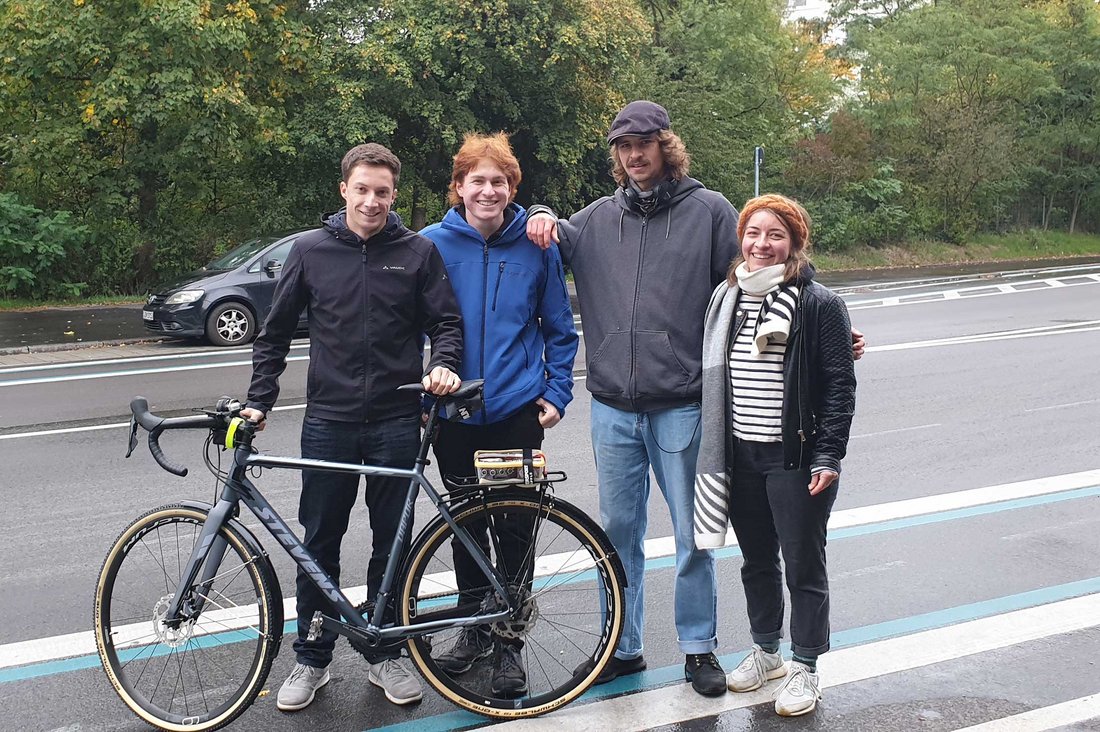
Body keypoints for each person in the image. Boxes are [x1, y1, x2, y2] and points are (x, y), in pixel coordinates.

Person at [524, 100, 740, 696]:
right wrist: (540, 211)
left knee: (692, 535)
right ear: (615, 155)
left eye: (644, 143)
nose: (634, 154)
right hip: (614, 408)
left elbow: (764, 270)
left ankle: (699, 647)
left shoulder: (710, 212)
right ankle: (622, 646)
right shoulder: (593, 221)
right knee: (617, 534)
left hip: (682, 404)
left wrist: (823, 323)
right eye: (623, 146)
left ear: (666, 146)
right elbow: (537, 235)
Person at [240, 143, 464, 712]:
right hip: (328, 423)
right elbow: (274, 333)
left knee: (393, 547)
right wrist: (258, 402)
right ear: (344, 190)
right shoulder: (311, 251)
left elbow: (447, 323)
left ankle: (385, 652)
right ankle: (312, 659)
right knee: (318, 542)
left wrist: (444, 364)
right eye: (361, 189)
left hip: (395, 421)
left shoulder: (416, 252)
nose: (372, 201)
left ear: (394, 195)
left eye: (382, 193)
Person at [418, 132, 578, 698]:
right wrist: (421, 396)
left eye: (499, 181)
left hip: (514, 412)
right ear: (458, 186)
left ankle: (509, 640)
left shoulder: (536, 246)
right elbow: (408, 327)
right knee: (463, 528)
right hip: (453, 416)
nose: (488, 190)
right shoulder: (430, 245)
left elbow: (560, 329)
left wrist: (557, 394)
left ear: (514, 189)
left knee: (514, 527)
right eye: (477, 180)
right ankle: (473, 628)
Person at [693, 194, 857, 717]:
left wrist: (828, 456)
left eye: (775, 235)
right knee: (757, 561)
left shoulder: (818, 304)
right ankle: (767, 652)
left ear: (795, 243)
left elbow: (838, 386)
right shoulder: (726, 299)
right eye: (753, 233)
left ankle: (806, 665)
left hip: (795, 457)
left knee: (804, 564)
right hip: (740, 456)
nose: (762, 245)